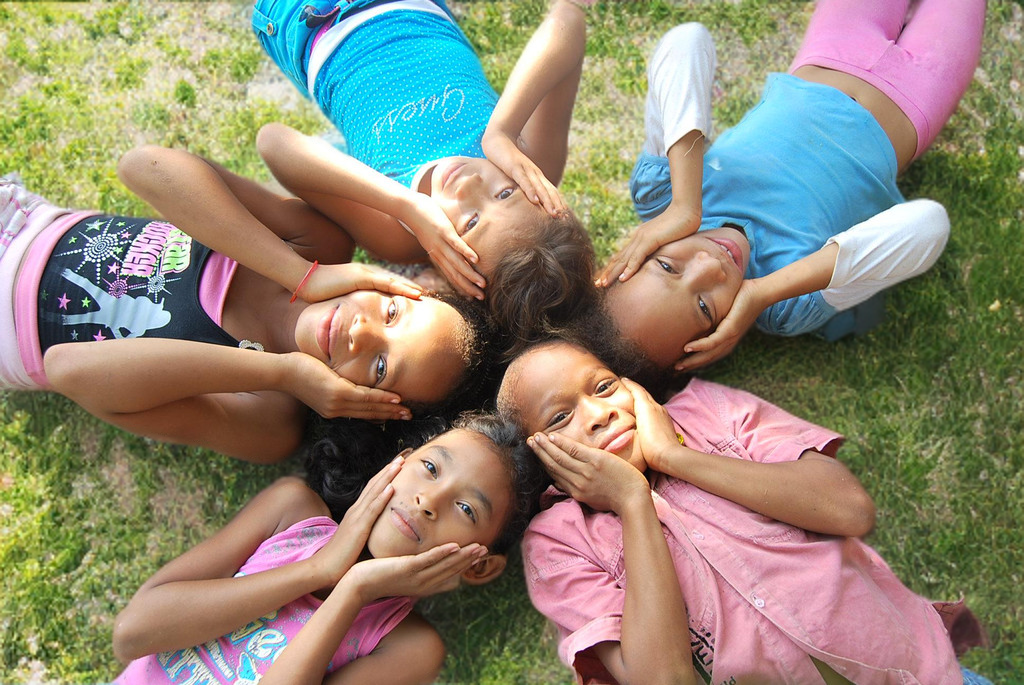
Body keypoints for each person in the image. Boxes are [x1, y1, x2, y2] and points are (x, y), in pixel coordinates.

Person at [496, 339, 992, 684]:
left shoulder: (710, 411)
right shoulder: (560, 541)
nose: (598, 413)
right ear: (538, 456)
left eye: (603, 387)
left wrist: (676, 458)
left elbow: (849, 510)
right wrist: (632, 503)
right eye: (561, 417)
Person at [0, 154, 494, 464]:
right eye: (391, 315)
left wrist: (283, 373)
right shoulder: (315, 245)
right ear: (395, 287)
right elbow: (144, 167)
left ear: (377, 411)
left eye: (381, 367)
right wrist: (300, 273)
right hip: (23, 221)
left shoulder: (269, 419)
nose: (361, 334)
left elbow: (67, 368)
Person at [596, 0, 984, 371]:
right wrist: (760, 293)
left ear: (634, 255)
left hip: (837, 46)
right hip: (919, 93)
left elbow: (687, 42)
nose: (707, 267)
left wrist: (684, 206)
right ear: (717, 337)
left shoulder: (662, 195)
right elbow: (930, 225)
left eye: (667, 266)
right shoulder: (786, 304)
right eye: (704, 307)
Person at [111, 412, 549, 684]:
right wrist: (317, 569)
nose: (428, 501)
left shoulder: (406, 647)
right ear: (398, 463)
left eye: (467, 509)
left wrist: (353, 588)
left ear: (480, 566)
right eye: (430, 468)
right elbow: (132, 633)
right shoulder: (291, 513)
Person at [252, 0, 598, 341]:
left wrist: (404, 205)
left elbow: (274, 143)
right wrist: (501, 132)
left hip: (307, 26)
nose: (470, 185)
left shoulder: (399, 234)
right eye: (505, 194)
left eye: (471, 223)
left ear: (456, 269)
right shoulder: (532, 167)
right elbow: (567, 18)